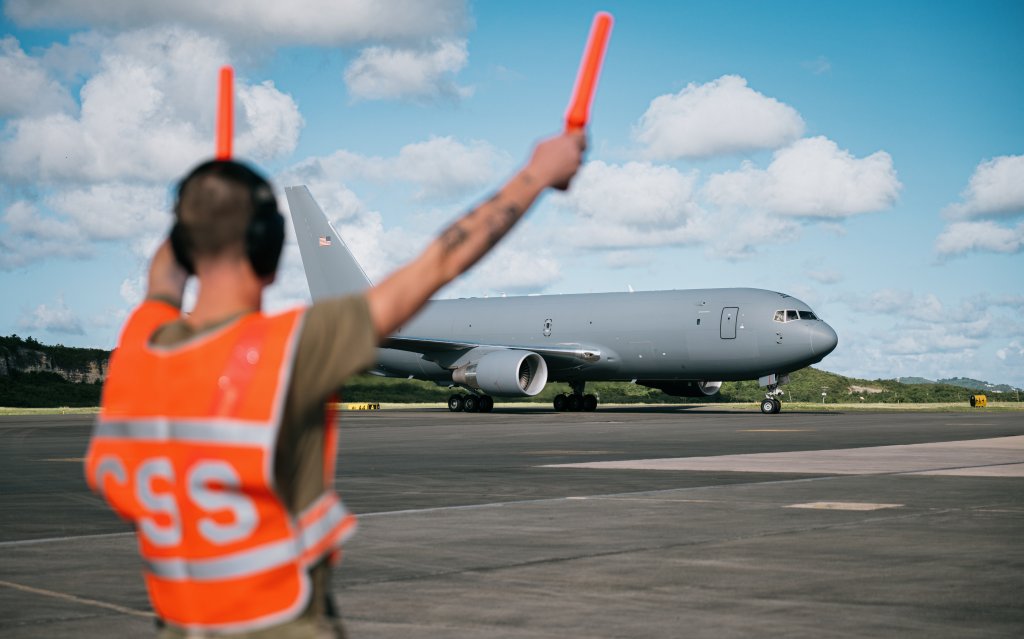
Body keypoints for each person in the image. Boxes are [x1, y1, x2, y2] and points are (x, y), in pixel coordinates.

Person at [84, 130, 585, 638]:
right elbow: (440, 263)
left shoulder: (141, 346)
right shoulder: (290, 351)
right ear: (272, 250)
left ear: (187, 249)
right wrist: (536, 176)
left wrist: (202, 207)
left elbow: (162, 284)